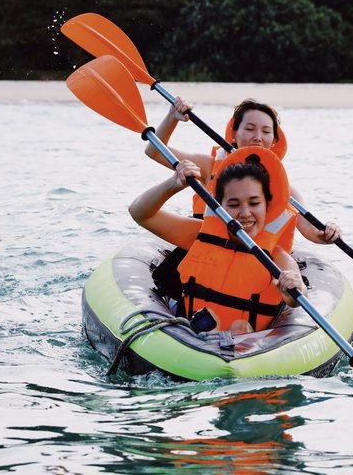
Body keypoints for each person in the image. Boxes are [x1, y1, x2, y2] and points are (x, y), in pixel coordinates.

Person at [129, 147, 305, 335]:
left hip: (248, 350)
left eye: (254, 203)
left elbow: (297, 295)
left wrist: (292, 288)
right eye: (234, 204)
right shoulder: (199, 234)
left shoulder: (278, 258)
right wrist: (173, 184)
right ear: (219, 206)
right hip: (190, 338)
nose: (245, 213)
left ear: (267, 206)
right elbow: (140, 213)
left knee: (241, 328)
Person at [143, 97, 342, 246]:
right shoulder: (209, 166)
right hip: (204, 246)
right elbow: (154, 151)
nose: (257, 137)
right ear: (234, 135)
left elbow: (310, 230)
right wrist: (172, 118)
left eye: (265, 132)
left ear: (273, 141)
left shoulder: (288, 191)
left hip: (254, 257)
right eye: (249, 129)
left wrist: (326, 234)